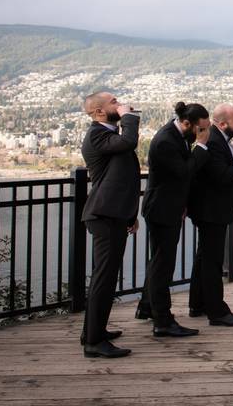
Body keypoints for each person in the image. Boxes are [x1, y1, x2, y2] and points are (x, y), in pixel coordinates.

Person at [135, 102, 210, 337]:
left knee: (159, 260)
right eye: (201, 129)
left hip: (169, 206)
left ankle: (147, 307)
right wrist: (201, 146)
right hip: (161, 209)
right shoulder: (166, 141)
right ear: (188, 124)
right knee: (163, 265)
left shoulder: (176, 135)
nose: (203, 133)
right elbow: (184, 171)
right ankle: (163, 321)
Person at [79, 91, 141, 358]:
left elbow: (121, 178)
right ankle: (94, 341)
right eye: (114, 102)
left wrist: (129, 214)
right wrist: (129, 117)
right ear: (100, 112)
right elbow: (129, 142)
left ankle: (92, 331)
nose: (120, 103)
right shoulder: (97, 134)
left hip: (113, 214)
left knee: (104, 278)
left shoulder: (107, 135)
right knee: (104, 279)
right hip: (104, 216)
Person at [187, 103, 233, 327]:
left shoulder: (217, 138)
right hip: (212, 210)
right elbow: (222, 176)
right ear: (223, 123)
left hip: (210, 209)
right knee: (212, 261)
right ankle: (217, 311)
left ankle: (197, 303)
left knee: (203, 258)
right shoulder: (216, 141)